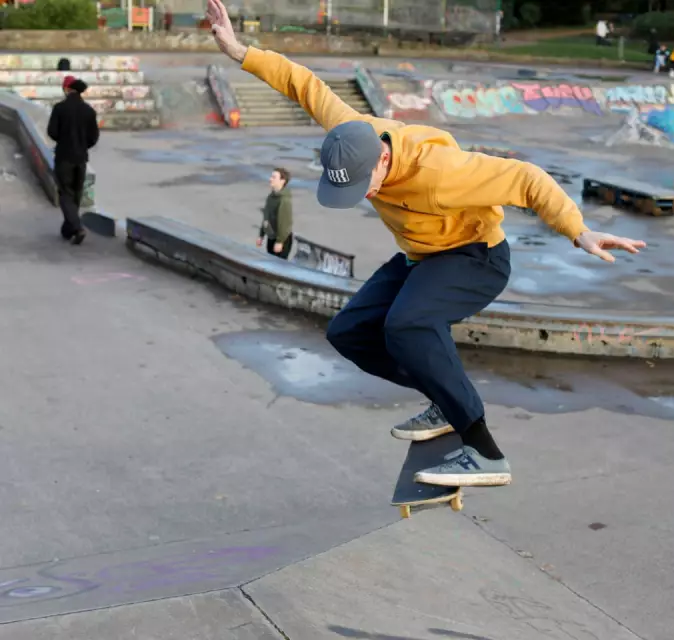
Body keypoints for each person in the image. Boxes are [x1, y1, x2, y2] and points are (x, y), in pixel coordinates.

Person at [206, 0, 646, 487]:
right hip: (422, 257)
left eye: (364, 186)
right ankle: (443, 397)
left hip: (475, 256)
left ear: (380, 160)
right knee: (348, 332)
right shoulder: (351, 133)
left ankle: (485, 453)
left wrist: (577, 229)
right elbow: (302, 84)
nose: (366, 196)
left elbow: (526, 177)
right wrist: (238, 50)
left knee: (409, 325)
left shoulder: (440, 176)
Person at [46, 75, 100, 245]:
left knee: (65, 193)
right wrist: (82, 146)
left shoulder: (59, 108)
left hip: (64, 157)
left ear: (67, 89)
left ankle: (77, 227)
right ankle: (68, 229)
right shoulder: (89, 110)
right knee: (76, 193)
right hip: (81, 158)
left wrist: (64, 140)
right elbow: (94, 137)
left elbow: (52, 132)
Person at [257, 167, 294, 259]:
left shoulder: (284, 200)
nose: (270, 179)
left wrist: (280, 241)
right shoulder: (271, 197)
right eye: (271, 176)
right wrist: (261, 235)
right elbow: (266, 217)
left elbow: (285, 223)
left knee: (279, 267)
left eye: (274, 177)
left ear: (282, 181)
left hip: (282, 239)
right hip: (271, 236)